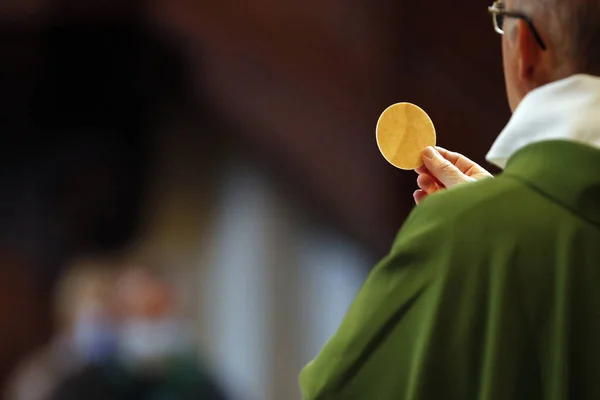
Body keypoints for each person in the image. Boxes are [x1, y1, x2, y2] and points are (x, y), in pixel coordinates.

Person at [299, 0, 600, 399]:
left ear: (524, 48)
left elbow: (334, 391)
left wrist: (477, 230)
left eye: (501, 19)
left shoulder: (461, 234)